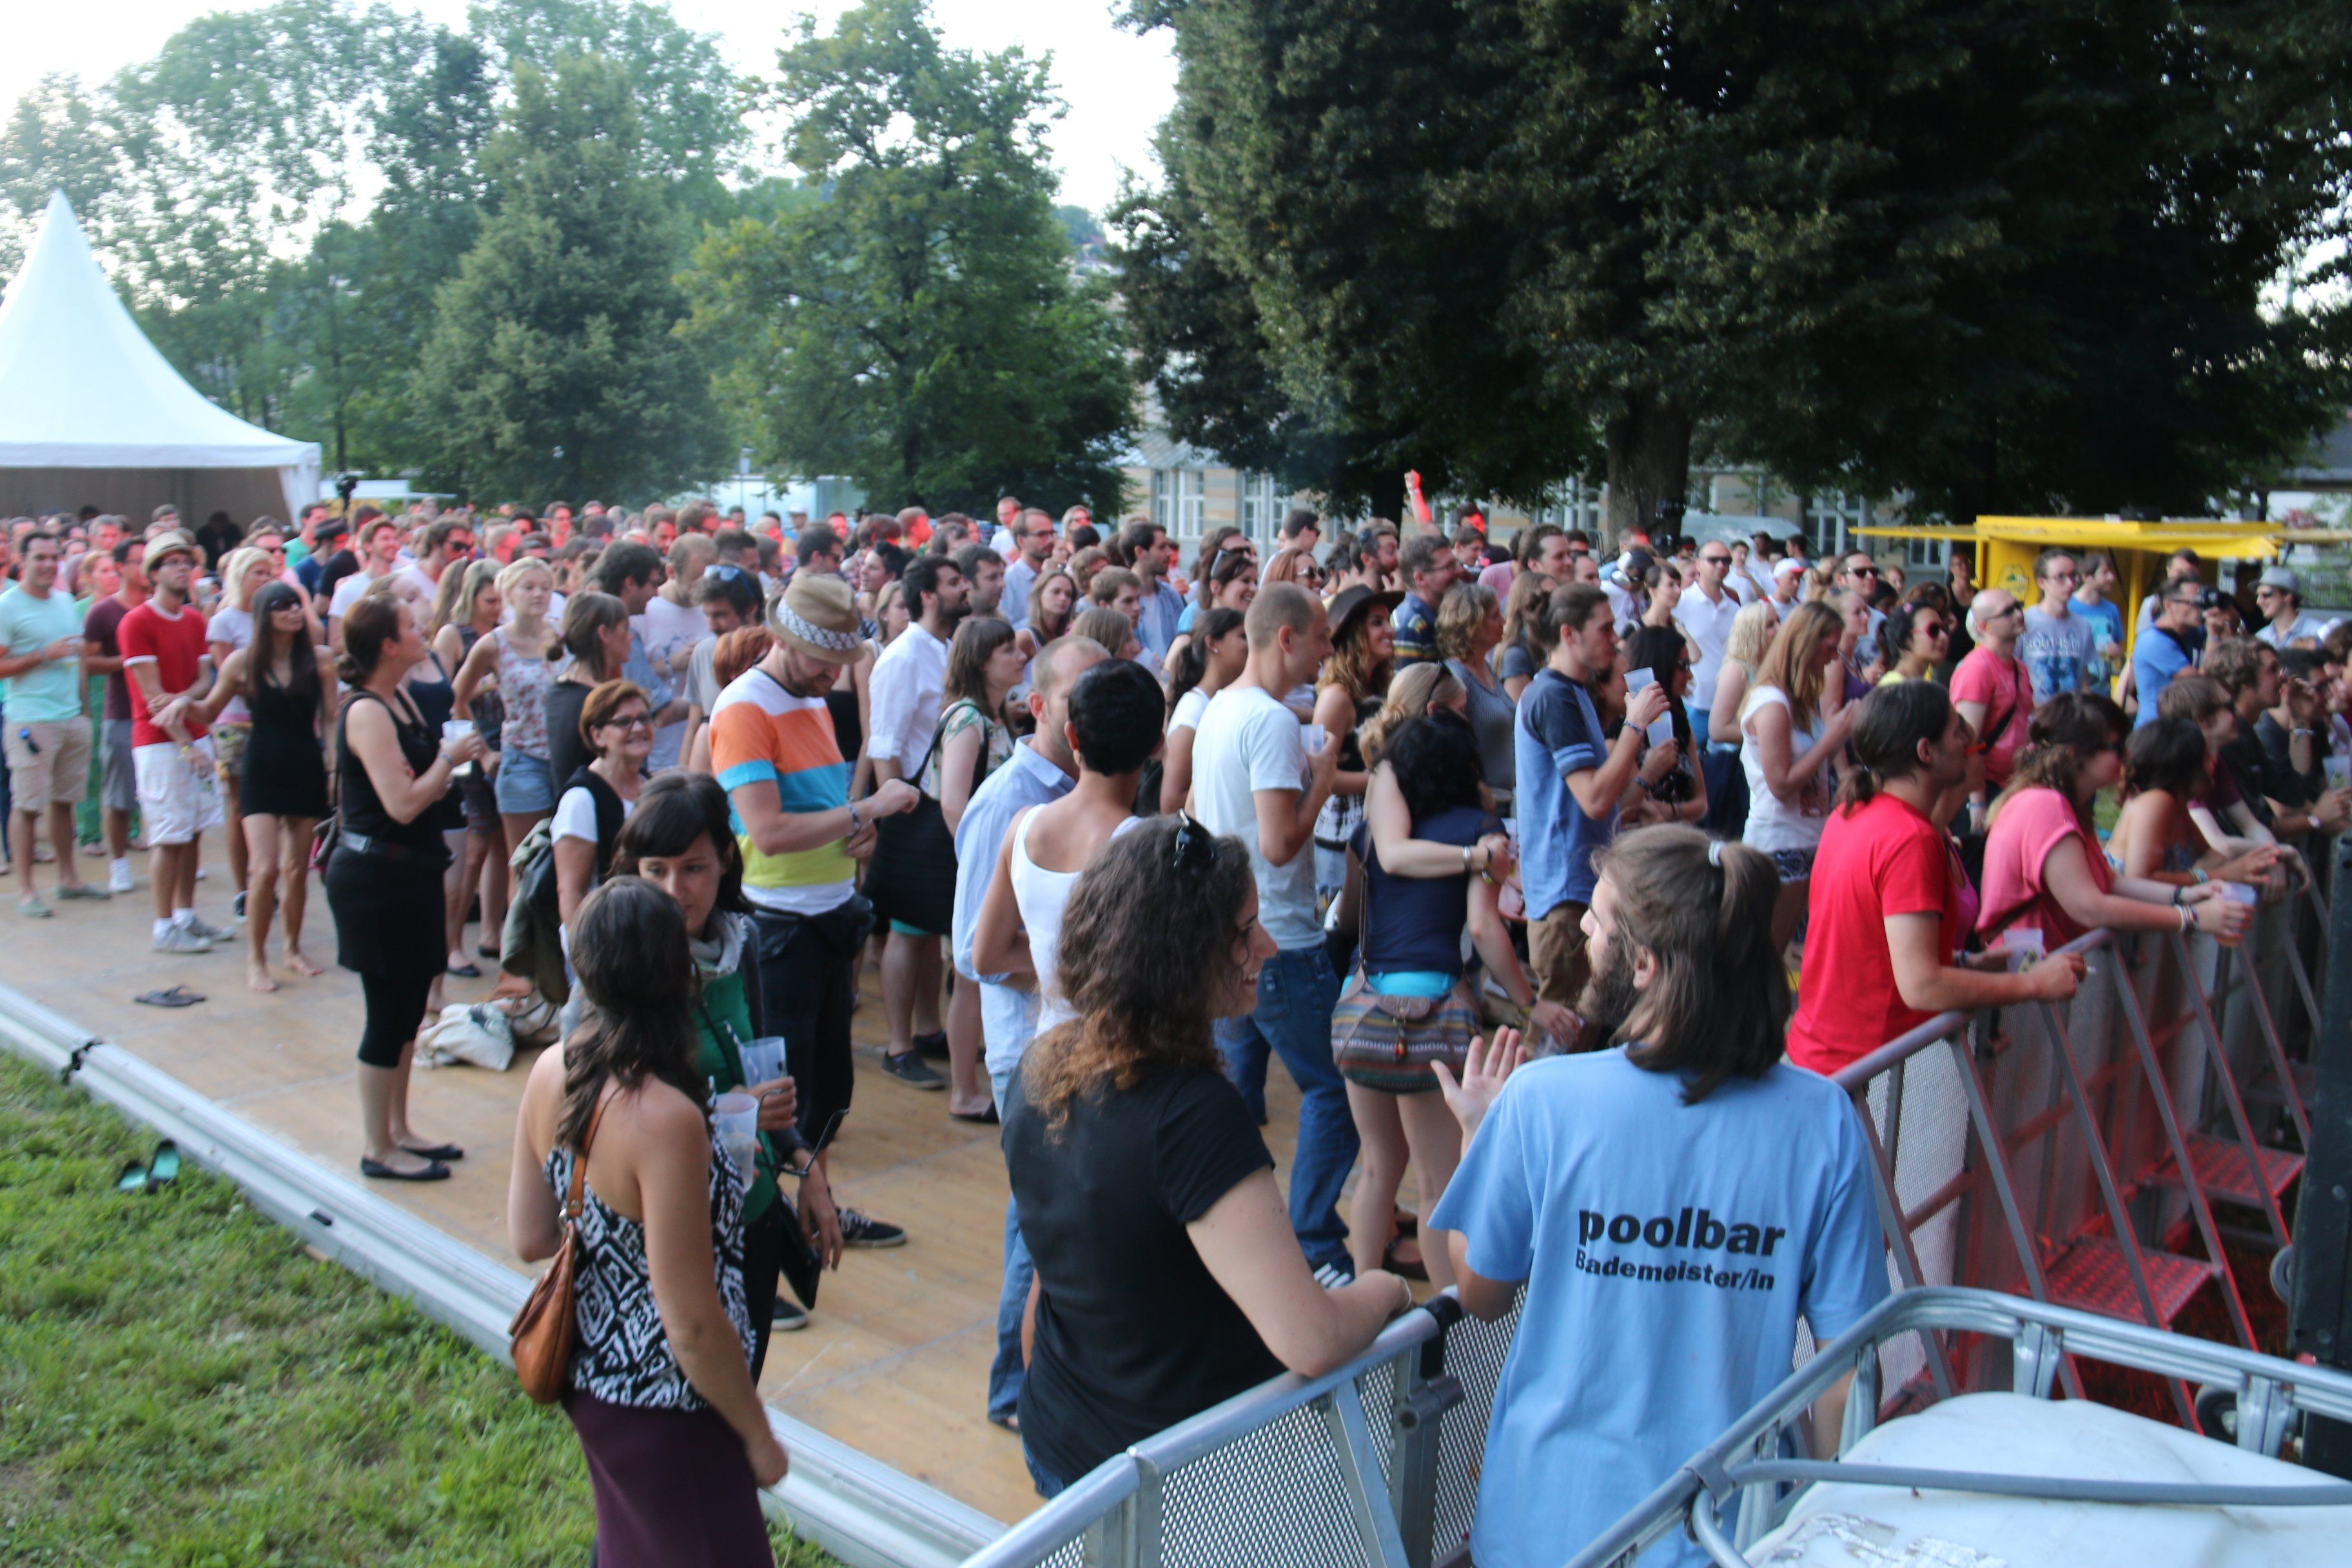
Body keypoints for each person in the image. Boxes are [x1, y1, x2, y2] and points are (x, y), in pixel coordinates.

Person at [1428, 825, 1889, 1568]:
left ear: (1643, 963)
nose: (1583, 927)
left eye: (1599, 918)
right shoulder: (1822, 1119)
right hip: (1732, 1534)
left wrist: (1477, 1138)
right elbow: (1848, 1372)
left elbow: (1480, 1289)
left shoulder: (1542, 1101)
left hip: (1549, 1530)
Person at [1002, 816, 1410, 1496]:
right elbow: (1311, 1338)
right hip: (1177, 1482)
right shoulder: (1191, 1116)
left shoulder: (1042, 1066)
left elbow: (1049, 1286)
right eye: (1245, 931)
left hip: (1065, 1445)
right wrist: (1387, 1290)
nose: (1267, 946)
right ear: (1179, 958)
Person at [505, 877, 785, 1566]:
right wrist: (757, 1435)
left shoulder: (550, 1070)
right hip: (670, 1406)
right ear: (680, 973)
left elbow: (531, 1236)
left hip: (593, 1381)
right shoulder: (664, 1117)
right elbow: (690, 1323)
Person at [710, 572, 919, 1250]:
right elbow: (767, 831)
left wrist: (859, 828)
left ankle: (813, 1210)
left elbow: (821, 811)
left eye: (841, 661)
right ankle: (752, 1235)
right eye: (823, 660)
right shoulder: (744, 707)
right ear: (782, 641)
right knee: (773, 1094)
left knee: (826, 1087)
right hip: (777, 925)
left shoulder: (809, 699)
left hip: (827, 916)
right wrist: (866, 810)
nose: (834, 674)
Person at [1336, 710, 1561, 1289]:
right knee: (1438, 1182)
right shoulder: (1480, 831)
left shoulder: (1375, 834)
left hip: (1362, 1010)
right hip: (1430, 1017)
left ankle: (1368, 1299)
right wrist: (1529, 1003)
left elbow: (1350, 915)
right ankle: (1447, 1312)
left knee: (1377, 1169)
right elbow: (1484, 929)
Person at [949, 636, 1108, 1427]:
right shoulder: (1008, 800)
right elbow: (970, 949)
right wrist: (1077, 977)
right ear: (1039, 706)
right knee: (1035, 1229)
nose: (1095, 711)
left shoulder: (1088, 791)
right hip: (1030, 1049)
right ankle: (1014, 1390)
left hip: (1079, 1043)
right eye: (1080, 696)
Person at [1785, 682, 2084, 1077]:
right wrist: (2035, 985)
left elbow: (1873, 949)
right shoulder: (1911, 838)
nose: (1968, 742)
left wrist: (1965, 962)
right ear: (1925, 752)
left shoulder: (1852, 812)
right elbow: (1921, 985)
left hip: (1831, 1060)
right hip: (1875, 1073)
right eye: (1957, 732)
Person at [1190, 583, 1360, 1276]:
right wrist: (1323, 774)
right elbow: (1282, 843)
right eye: (1321, 637)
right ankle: (1314, 1243)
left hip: (1233, 938)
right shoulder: (1270, 721)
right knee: (1335, 1092)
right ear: (1286, 638)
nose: (1328, 651)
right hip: (1282, 942)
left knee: (1235, 1098)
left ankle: (1234, 1241)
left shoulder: (1221, 707)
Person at [327, 590, 487, 1182]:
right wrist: (450, 759)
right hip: (377, 880)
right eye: (412, 628)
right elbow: (401, 803)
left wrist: (445, 761)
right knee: (386, 1015)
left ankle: (400, 1129)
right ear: (388, 645)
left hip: (411, 872)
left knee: (409, 1012)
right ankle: (378, 1147)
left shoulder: (400, 698)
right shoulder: (367, 711)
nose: (424, 632)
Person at [1977, 693, 2248, 950]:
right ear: (2075, 754)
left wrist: (2183, 896)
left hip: (2053, 967)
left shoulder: (2066, 804)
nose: (2127, 756)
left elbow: (2111, 881)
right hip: (2030, 971)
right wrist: (2191, 917)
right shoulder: (2045, 805)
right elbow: (2089, 907)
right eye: (2117, 747)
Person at [1515, 583, 1670, 1010]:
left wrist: (1642, 788)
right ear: (1569, 634)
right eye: (1604, 629)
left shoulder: (1572, 691)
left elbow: (1605, 803)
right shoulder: (1553, 696)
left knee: (1587, 1026)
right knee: (1564, 1031)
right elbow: (1595, 800)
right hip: (1565, 898)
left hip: (1578, 890)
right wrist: (1635, 726)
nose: (1615, 639)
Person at [191, 582, 332, 990]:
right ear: (263, 614)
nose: (293, 612)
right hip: (262, 765)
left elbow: (330, 717)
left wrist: (334, 768)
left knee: (297, 870)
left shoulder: (320, 659)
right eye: (282, 606)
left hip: (305, 764)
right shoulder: (243, 661)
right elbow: (210, 709)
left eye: (296, 605)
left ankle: (292, 948)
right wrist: (181, 703)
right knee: (264, 869)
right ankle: (256, 958)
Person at [865, 554, 969, 1090]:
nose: (964, 588)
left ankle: (929, 1029)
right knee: (906, 933)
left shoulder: (943, 648)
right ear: (927, 595)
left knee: (928, 927)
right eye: (954, 583)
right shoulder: (903, 656)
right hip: (910, 803)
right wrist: (895, 810)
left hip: (931, 801)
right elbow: (885, 741)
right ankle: (898, 1045)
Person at [119, 532, 229, 952]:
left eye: (187, 561)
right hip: (159, 744)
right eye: (172, 562)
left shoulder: (195, 620)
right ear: (154, 572)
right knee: (168, 836)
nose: (183, 568)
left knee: (193, 830)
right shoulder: (137, 622)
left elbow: (202, 681)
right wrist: (185, 743)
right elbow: (153, 699)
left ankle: (185, 916)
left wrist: (184, 703)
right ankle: (164, 927)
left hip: (195, 737)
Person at [932, 615, 1023, 1118]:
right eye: (1007, 650)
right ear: (982, 663)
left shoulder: (996, 716)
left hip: (990, 866)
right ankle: (964, 1091)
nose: (1020, 656)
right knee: (968, 976)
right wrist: (983, 866)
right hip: (977, 869)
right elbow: (953, 803)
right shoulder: (969, 721)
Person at [1, 529, 103, 917]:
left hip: (71, 718)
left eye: (52, 558)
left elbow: (78, 657)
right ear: (22, 561)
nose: (47, 565)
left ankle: (69, 880)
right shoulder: (7, 606)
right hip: (31, 720)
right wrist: (43, 654)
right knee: (28, 806)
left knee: (65, 802)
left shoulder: (64, 601)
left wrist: (83, 712)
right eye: (39, 558)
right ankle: (27, 891)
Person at [1739, 600, 1852, 948]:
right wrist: (1832, 737)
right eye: (1830, 648)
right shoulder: (1772, 703)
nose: (1834, 659)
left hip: (1806, 840)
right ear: (1806, 644)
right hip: (1780, 844)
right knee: (1767, 952)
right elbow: (1781, 784)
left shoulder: (1798, 699)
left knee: (1787, 951)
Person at [453, 558, 560, 863]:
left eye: (545, 588)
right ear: (509, 593)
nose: (538, 594)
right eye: (528, 587)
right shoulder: (493, 644)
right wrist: (483, 753)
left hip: (564, 756)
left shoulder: (561, 635)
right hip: (522, 761)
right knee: (527, 863)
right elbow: (458, 698)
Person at [433, 560, 510, 972]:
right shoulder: (454, 634)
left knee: (499, 844)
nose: (496, 607)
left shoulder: (503, 634)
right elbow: (446, 695)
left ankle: (491, 933)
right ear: (472, 597)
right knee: (476, 847)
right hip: (470, 745)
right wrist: (486, 683)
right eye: (489, 600)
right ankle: (451, 944)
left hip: (503, 743)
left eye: (500, 600)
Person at [2106, 717, 2279, 887]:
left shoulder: (2177, 805)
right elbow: (2141, 879)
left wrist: (2270, 858)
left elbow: (2209, 856)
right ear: (2185, 767)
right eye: (2206, 756)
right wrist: (2220, 875)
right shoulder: (2156, 801)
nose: (2215, 759)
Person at [1311, 585, 1400, 904]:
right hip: (1343, 838)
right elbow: (1322, 776)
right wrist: (1383, 780)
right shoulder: (1335, 698)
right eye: (1377, 623)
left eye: (1388, 621)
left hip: (1381, 826)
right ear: (1354, 634)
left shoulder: (1381, 687)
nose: (1390, 630)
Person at [206, 545, 281, 907]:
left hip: (275, 721)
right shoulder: (224, 621)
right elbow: (229, 677)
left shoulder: (276, 616)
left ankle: (268, 881)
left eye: (269, 573)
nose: (265, 579)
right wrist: (274, 686)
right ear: (240, 576)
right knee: (240, 807)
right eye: (258, 573)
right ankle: (244, 888)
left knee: (273, 806)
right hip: (236, 722)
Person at [554, 681, 652, 936]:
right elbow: (571, 891)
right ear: (597, 736)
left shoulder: (651, 786)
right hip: (602, 940)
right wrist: (584, 953)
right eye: (624, 722)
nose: (639, 728)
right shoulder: (581, 799)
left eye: (644, 718)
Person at [80, 537, 146, 894]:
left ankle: (179, 855)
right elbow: (88, 662)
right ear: (122, 568)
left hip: (163, 712)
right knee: (119, 796)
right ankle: (119, 864)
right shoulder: (102, 612)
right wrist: (128, 661)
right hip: (121, 712)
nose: (147, 568)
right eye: (139, 561)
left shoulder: (163, 607)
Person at [1950, 587, 2033, 833]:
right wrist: (1977, 801)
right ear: (1985, 627)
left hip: (2011, 785)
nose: (2018, 614)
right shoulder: (1977, 668)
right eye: (2007, 612)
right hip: (1983, 788)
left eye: (2018, 606)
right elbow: (1967, 740)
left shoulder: (2018, 667)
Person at [1159, 608, 1248, 816]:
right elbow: (1171, 802)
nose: (1251, 645)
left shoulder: (1222, 700)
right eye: (1243, 637)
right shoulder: (1193, 711)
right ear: (1212, 644)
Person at [544, 593, 635, 792]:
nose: (631, 636)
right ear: (605, 634)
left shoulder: (558, 687)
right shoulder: (601, 702)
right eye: (626, 629)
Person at [1621, 626, 1710, 828]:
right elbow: (1622, 810)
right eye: (1683, 665)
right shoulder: (1624, 726)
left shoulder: (1678, 717)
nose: (1690, 675)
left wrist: (1672, 811)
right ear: (1661, 665)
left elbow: (1702, 803)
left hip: (1680, 837)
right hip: (1638, 841)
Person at [1439, 582, 1514, 812]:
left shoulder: (1486, 667)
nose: (1503, 621)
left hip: (1505, 800)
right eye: (1495, 616)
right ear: (1474, 624)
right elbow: (1449, 748)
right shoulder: (1456, 677)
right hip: (1481, 805)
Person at [2019, 549, 2095, 703]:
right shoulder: (2024, 621)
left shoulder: (2083, 625)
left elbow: (2084, 680)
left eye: (2073, 576)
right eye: (2060, 577)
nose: (2070, 584)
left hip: (2071, 713)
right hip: (2034, 714)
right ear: (2041, 582)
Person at [2132, 576, 2206, 727]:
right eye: (2194, 602)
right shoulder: (2155, 641)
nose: (2200, 609)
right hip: (2156, 730)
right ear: (2169, 606)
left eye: (2202, 602)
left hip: (2175, 726)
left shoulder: (2189, 632)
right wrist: (2215, 637)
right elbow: (2200, 684)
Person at [1390, 534, 1458, 667]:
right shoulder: (1409, 625)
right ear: (1420, 578)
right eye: (1449, 567)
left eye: (1455, 563)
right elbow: (1408, 680)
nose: (1459, 571)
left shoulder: (1444, 613)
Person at [1496, 571, 1553, 704]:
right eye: (1550, 598)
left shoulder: (1545, 642)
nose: (1558, 604)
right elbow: (1518, 709)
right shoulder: (1517, 655)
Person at [2073, 551, 2126, 692]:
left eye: (2111, 573)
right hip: (2073, 687)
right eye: (2105, 573)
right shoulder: (2068, 607)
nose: (2112, 578)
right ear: (2087, 577)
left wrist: (2117, 651)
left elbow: (2118, 646)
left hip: (2102, 688)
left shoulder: (2112, 609)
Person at [2255, 565, 2330, 650]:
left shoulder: (2319, 632)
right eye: (2258, 596)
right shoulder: (2260, 637)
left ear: (2288, 596)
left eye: (2266, 595)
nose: (2259, 601)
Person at [1014, 567, 1077, 666]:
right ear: (1040, 594)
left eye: (1068, 594)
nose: (1063, 598)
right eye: (1056, 592)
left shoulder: (1070, 633)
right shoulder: (1025, 638)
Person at [1876, 600, 1948, 685]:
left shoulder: (1921, 683)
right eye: (1933, 630)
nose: (1944, 636)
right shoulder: (1894, 686)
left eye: (1944, 629)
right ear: (1906, 640)